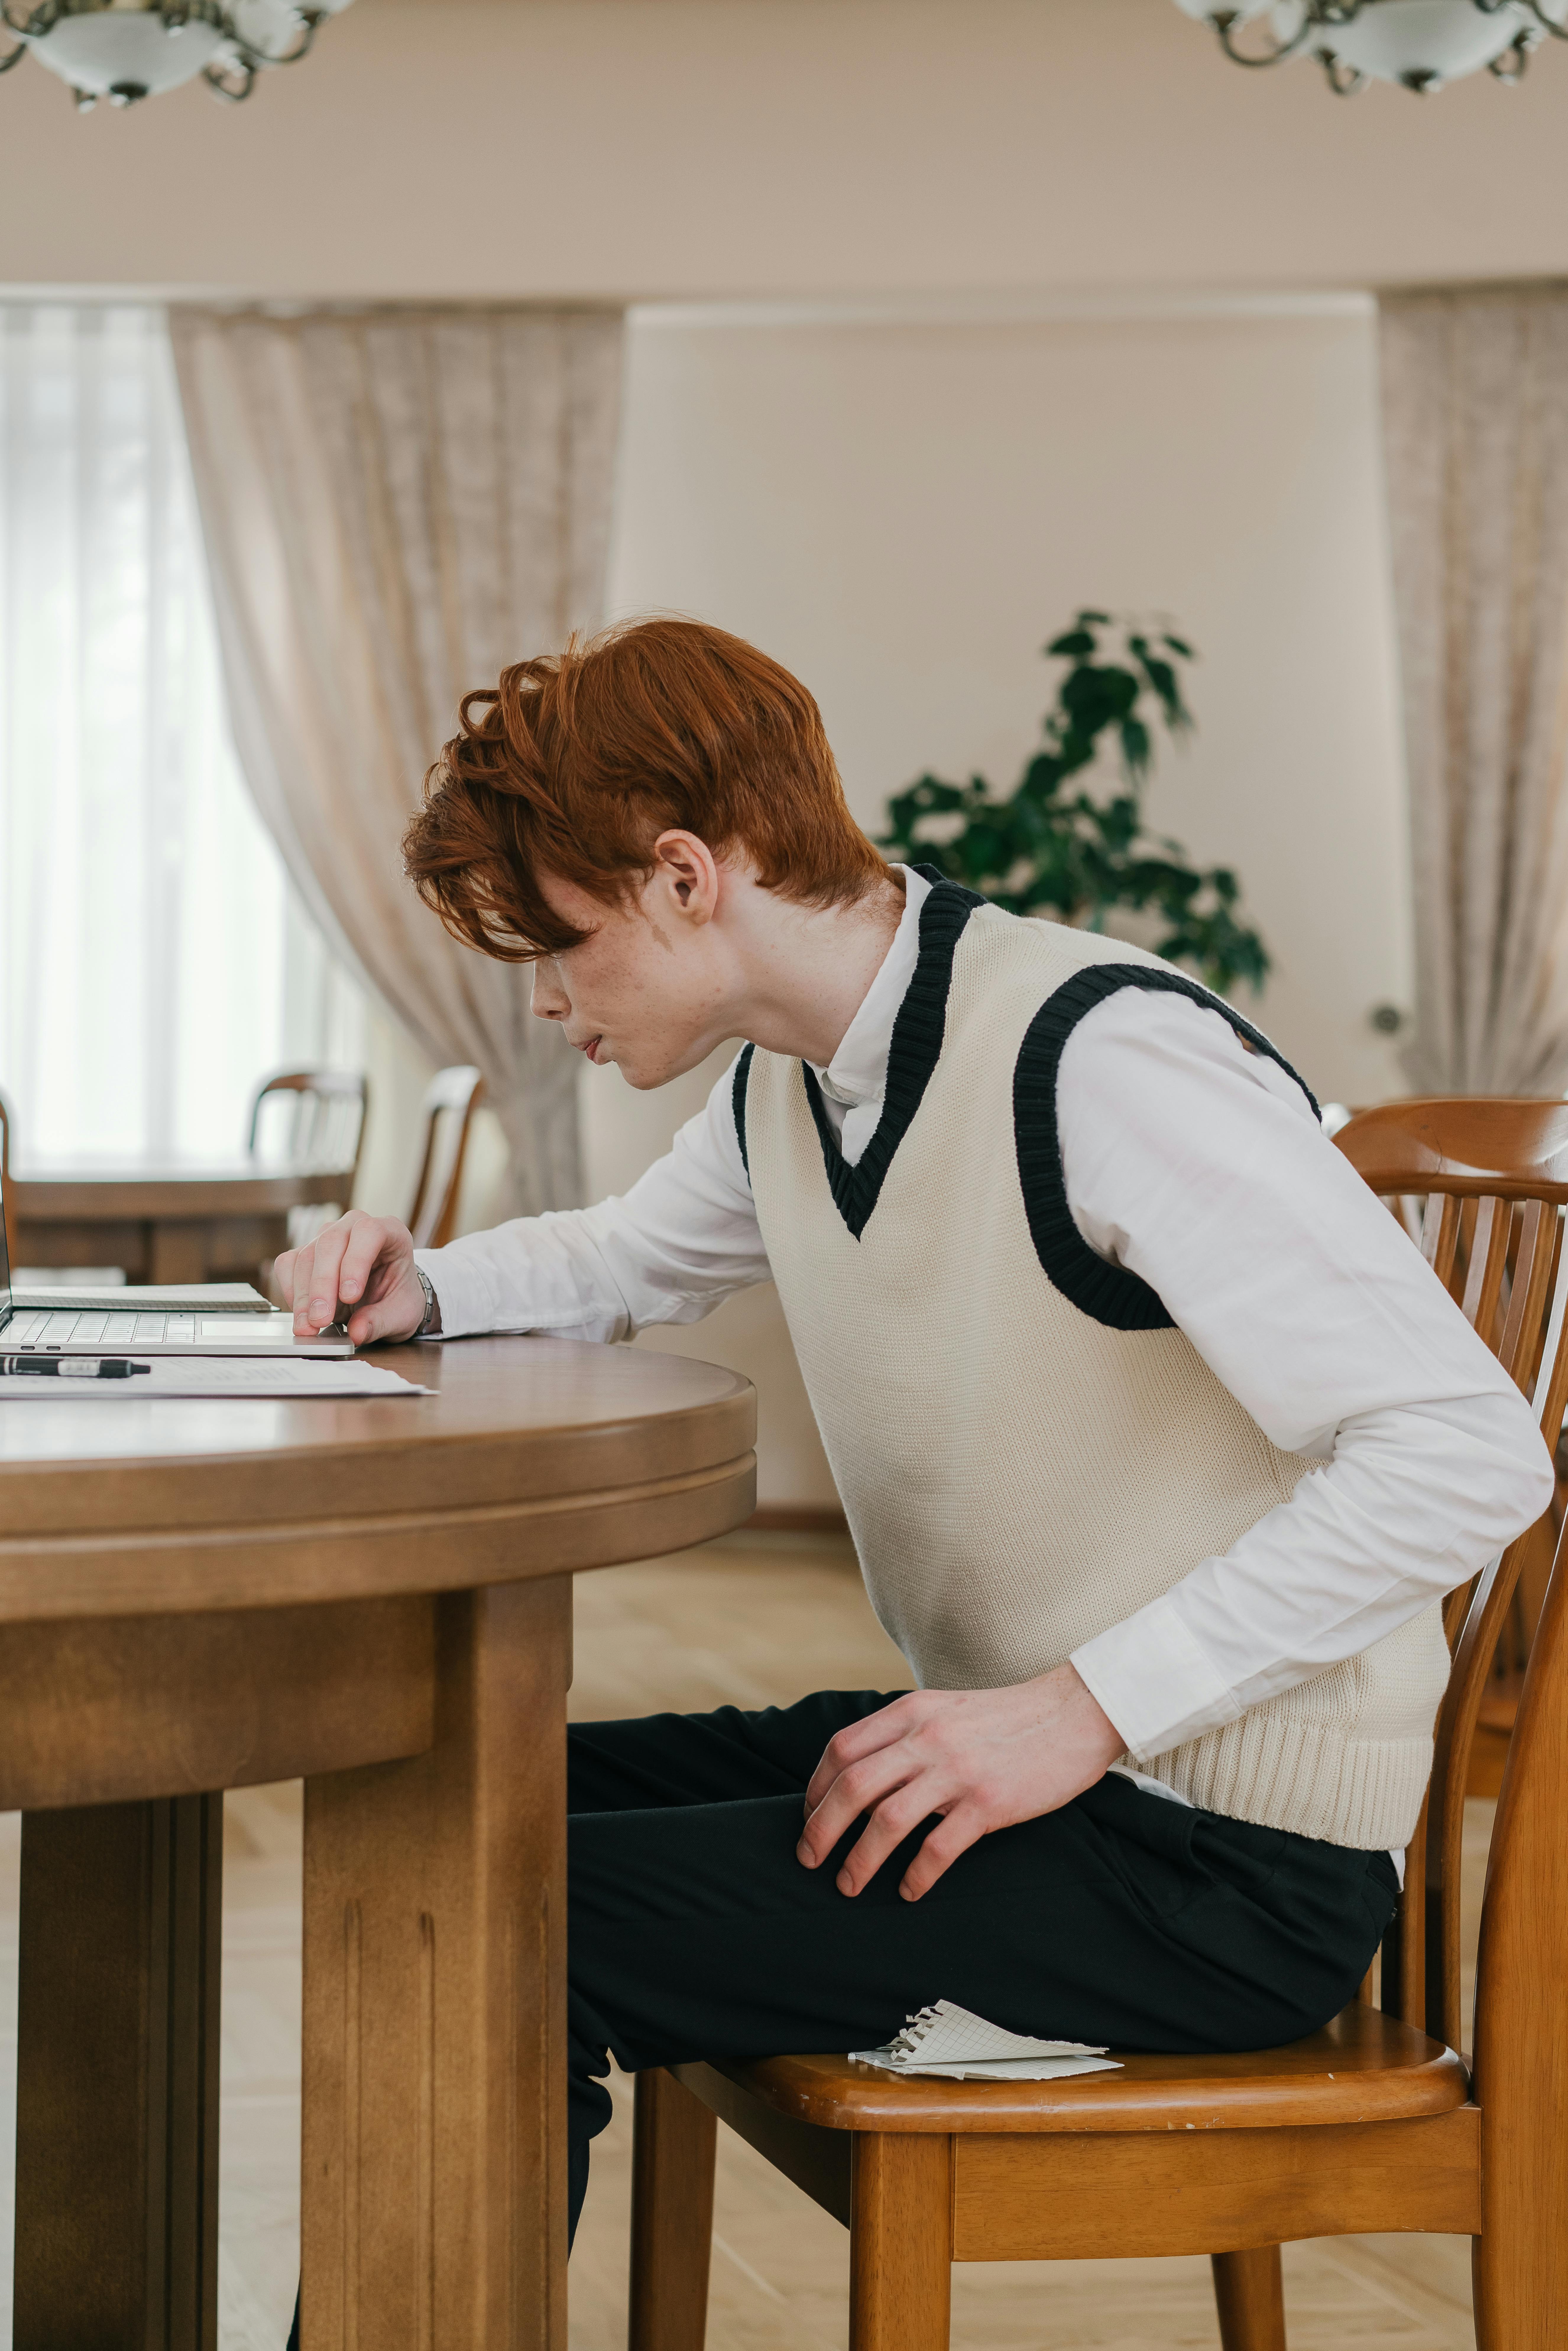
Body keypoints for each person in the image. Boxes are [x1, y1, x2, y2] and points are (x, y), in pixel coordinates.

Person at [276, 616, 1553, 2264]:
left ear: (683, 879)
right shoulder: (794, 1082)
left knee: (517, 1913)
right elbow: (616, 1259)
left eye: (564, 942)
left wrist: (1081, 1714)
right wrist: (419, 1280)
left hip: (1220, 1864)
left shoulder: (1099, 1055)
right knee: (449, 1801)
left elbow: (1465, 1449)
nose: (544, 1000)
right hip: (1036, 1782)